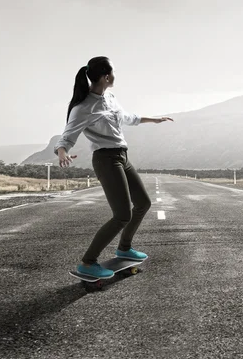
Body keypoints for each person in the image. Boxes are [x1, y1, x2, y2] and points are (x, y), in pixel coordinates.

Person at [53, 56, 173, 278]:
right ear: (106, 76)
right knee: (122, 215)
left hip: (122, 156)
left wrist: (153, 119)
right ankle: (88, 262)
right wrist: (62, 152)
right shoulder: (83, 107)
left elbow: (127, 117)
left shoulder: (110, 96)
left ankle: (124, 248)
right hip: (106, 159)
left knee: (143, 203)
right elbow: (67, 135)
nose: (115, 76)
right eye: (114, 72)